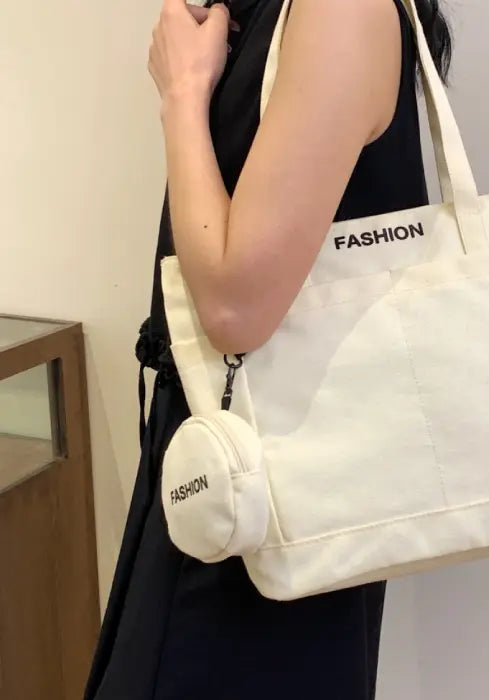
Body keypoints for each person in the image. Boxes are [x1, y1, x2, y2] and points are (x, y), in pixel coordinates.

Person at [84, 0, 453, 697]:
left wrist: (185, 96)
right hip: (230, 471)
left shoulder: (340, 12)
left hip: (267, 497)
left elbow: (233, 307)